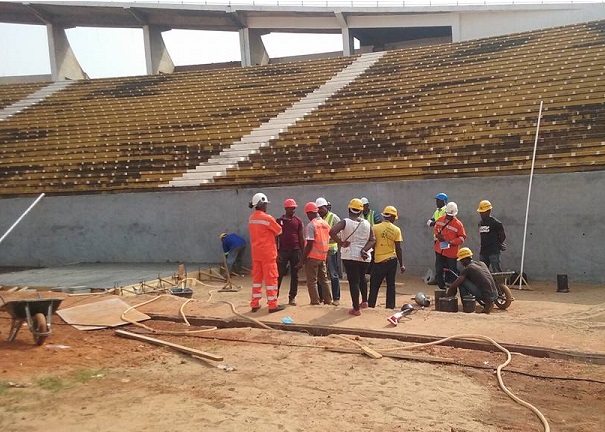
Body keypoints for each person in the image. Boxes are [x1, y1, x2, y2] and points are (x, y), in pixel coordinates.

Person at [330, 198, 376, 316]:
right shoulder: (367, 223)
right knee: (362, 278)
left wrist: (341, 243)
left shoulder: (345, 222)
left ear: (349, 209)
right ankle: (364, 301)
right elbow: (373, 240)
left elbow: (332, 232)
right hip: (365, 256)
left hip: (350, 255)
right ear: (361, 211)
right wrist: (364, 249)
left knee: (354, 281)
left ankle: (356, 308)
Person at [248, 192, 285, 313]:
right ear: (261, 204)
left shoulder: (251, 218)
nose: (266, 206)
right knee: (271, 280)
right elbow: (279, 231)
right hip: (268, 254)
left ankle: (254, 304)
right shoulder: (267, 218)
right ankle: (273, 305)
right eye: (265, 204)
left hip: (256, 254)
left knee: (257, 280)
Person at [368, 206, 406, 309]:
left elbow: (372, 243)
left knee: (374, 285)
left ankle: (371, 305)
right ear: (393, 217)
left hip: (379, 261)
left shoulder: (375, 228)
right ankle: (390, 307)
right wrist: (401, 264)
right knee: (391, 285)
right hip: (392, 260)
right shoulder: (396, 230)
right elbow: (398, 249)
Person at [298, 202, 333, 305]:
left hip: (312, 257)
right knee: (324, 280)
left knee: (312, 281)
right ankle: (328, 300)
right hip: (323, 256)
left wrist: (303, 260)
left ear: (309, 213)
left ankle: (315, 301)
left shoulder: (311, 225)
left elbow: (309, 244)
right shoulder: (325, 224)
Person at [446, 247, 498, 314]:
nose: (461, 263)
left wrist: (447, 296)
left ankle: (467, 306)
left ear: (465, 259)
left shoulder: (468, 268)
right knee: (465, 280)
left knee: (462, 283)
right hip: (495, 294)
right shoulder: (482, 263)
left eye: (461, 260)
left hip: (485, 295)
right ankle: (489, 302)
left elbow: (455, 285)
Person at [276, 198, 304, 305]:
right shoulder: (279, 221)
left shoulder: (298, 221)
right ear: (286, 208)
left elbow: (301, 238)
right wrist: (277, 252)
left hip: (295, 251)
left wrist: (303, 255)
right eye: (291, 208)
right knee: (279, 274)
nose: (293, 210)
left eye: (294, 208)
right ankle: (274, 296)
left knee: (295, 275)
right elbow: (276, 237)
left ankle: (292, 297)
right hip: (283, 251)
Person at [433, 201, 467, 290]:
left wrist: (451, 242)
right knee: (439, 269)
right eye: (448, 214)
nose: (449, 216)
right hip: (439, 249)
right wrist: (438, 235)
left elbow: (462, 238)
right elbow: (436, 229)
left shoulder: (458, 224)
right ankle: (441, 287)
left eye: (451, 215)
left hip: (451, 252)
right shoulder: (440, 220)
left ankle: (453, 288)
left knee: (452, 271)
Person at [316, 197, 341, 306]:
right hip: (320, 251)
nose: (319, 211)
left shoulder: (334, 218)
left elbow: (339, 234)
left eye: (321, 208)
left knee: (333, 274)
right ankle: (322, 298)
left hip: (331, 250)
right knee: (321, 275)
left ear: (326, 207)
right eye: (318, 209)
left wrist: (325, 238)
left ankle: (336, 298)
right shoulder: (316, 218)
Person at [477, 200, 507, 272]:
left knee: (496, 271)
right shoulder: (480, 223)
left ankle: (499, 283)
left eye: (483, 212)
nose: (481, 214)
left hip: (493, 252)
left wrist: (498, 244)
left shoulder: (496, 223)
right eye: (480, 212)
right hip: (483, 252)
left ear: (489, 211)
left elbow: (503, 236)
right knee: (483, 272)